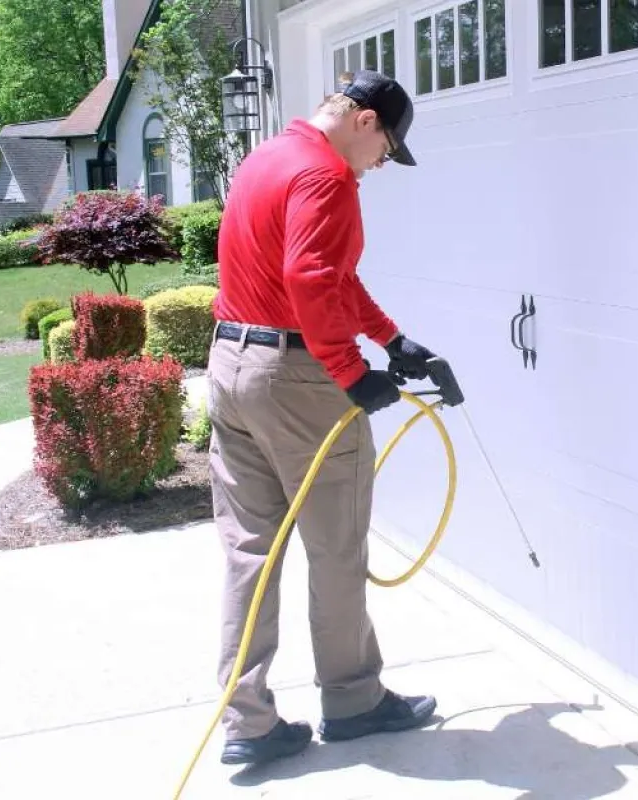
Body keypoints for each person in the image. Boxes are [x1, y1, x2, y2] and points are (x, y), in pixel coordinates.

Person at [206, 70, 445, 766]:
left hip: (230, 365)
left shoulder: (269, 158)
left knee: (249, 550)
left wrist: (392, 340)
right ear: (365, 121)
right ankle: (354, 701)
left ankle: (246, 721)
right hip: (295, 380)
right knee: (336, 546)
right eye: (387, 148)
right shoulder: (327, 177)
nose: (380, 166)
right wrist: (349, 372)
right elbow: (312, 280)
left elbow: (329, 278)